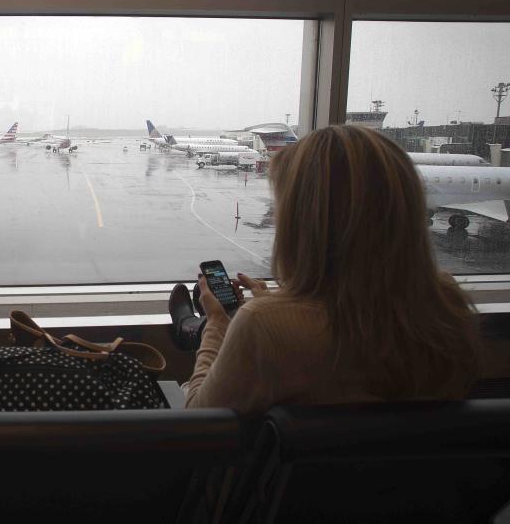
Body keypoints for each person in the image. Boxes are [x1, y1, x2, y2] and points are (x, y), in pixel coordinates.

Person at [174, 125, 480, 414]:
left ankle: (195, 328)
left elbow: (198, 418)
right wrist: (281, 301)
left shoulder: (264, 325)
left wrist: (216, 324)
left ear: (303, 223)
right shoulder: (448, 307)